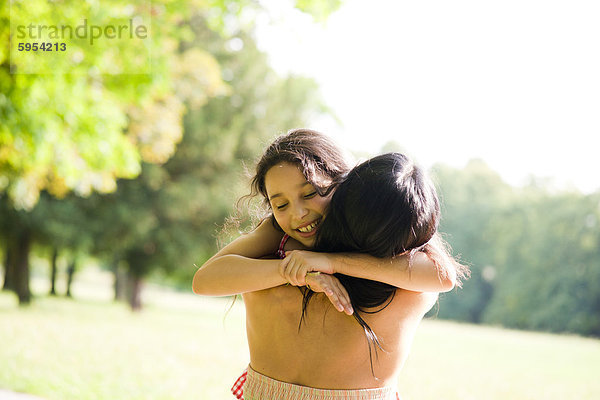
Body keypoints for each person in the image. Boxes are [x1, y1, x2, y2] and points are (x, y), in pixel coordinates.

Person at [193, 129, 465, 399]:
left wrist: (329, 262)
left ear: (344, 185)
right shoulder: (277, 234)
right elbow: (205, 280)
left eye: (310, 193)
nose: (298, 214)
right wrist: (294, 272)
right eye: (280, 204)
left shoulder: (382, 232)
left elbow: (443, 277)